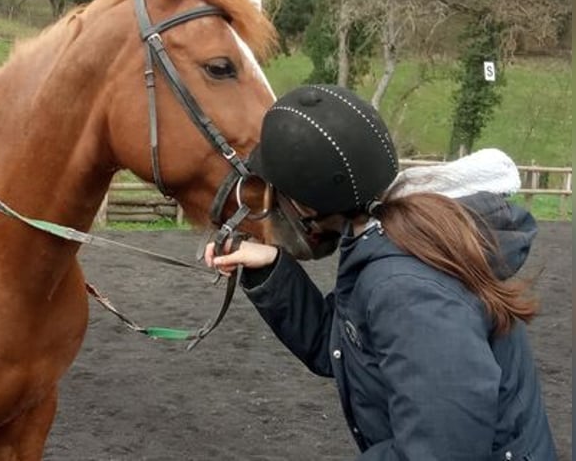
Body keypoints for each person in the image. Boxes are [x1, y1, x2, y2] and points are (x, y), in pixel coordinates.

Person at [205, 85, 557, 460]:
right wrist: (273, 268)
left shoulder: (407, 290)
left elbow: (443, 451)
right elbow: (345, 346)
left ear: (307, 203)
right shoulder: (392, 232)